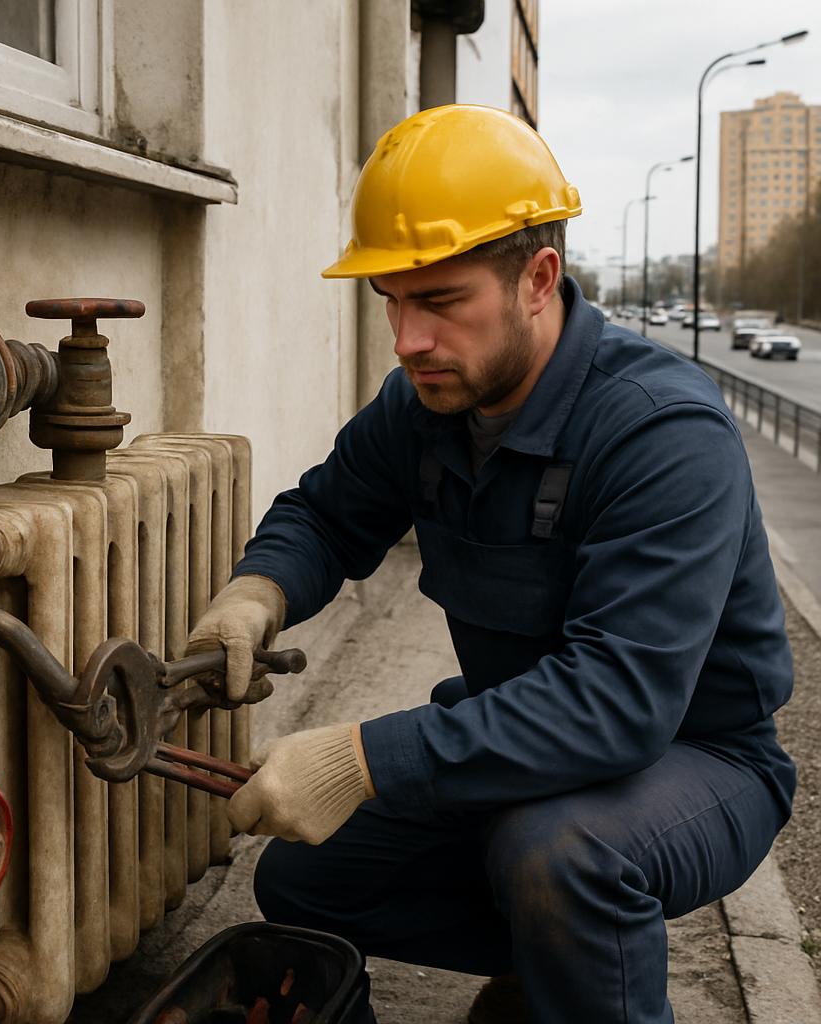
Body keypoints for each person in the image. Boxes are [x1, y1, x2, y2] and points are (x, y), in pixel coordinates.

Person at [185, 105, 796, 1024]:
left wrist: (362, 759)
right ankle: (556, 960)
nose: (406, 338)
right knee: (308, 883)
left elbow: (619, 703)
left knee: (557, 852)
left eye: (438, 301)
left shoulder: (662, 433)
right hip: (534, 736)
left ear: (538, 278)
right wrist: (256, 590)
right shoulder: (425, 405)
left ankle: (582, 952)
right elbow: (324, 512)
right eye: (391, 297)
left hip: (696, 758)